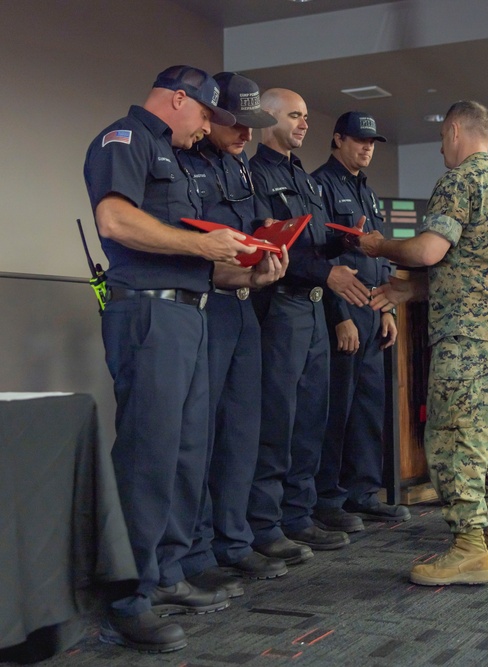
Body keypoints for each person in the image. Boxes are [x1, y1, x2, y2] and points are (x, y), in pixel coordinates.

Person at [83, 65, 252, 653]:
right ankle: (126, 602)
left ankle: (167, 574)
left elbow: (189, 254)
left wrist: (245, 270)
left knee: (185, 453)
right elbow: (116, 219)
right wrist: (203, 244)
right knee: (148, 456)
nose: (208, 127)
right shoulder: (123, 141)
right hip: (148, 315)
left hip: (193, 310)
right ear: (177, 99)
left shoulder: (176, 156)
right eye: (205, 114)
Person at [359, 100, 488, 586]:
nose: (440, 149)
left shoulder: (459, 180)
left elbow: (429, 250)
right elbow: (474, 270)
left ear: (454, 130)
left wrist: (380, 246)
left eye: (441, 139)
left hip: (470, 341)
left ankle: (468, 549)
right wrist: (409, 289)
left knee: (456, 438)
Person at [174, 73, 290, 598]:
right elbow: (191, 248)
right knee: (199, 434)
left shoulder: (241, 167)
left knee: (243, 429)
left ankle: (234, 540)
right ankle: (196, 550)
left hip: (243, 305)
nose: (247, 134)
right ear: (211, 115)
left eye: (253, 126)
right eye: (238, 124)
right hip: (203, 309)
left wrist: (263, 263)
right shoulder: (183, 164)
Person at [246, 88, 371, 563]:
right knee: (278, 418)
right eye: (294, 116)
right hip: (280, 306)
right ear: (269, 120)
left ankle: (299, 515)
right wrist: (326, 271)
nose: (303, 124)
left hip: (314, 309)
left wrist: (346, 247)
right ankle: (266, 522)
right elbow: (270, 249)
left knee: (311, 418)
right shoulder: (256, 174)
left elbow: (314, 242)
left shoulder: (303, 176)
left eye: (305, 116)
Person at [310, 112, 409, 533]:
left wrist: (387, 307)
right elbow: (323, 256)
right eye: (359, 140)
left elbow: (378, 253)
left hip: (372, 311)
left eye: (372, 142)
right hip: (343, 314)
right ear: (338, 139)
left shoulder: (365, 191)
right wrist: (339, 318)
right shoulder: (321, 184)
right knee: (338, 409)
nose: (367, 148)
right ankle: (328, 498)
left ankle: (362, 493)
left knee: (370, 405)